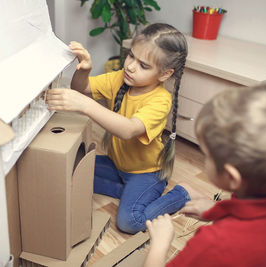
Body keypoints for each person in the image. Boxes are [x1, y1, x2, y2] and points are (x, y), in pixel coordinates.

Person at [47, 23, 206, 234]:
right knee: (72, 172)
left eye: (143, 65)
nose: (130, 66)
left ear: (165, 74)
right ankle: (129, 192)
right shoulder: (120, 77)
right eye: (131, 56)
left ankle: (182, 193)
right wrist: (84, 69)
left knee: (129, 222)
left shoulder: (160, 100)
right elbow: (81, 88)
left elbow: (128, 129)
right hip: (118, 164)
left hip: (147, 173)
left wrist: (85, 106)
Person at [144, 84, 266, 267]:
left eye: (207, 155)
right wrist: (219, 210)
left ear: (232, 177)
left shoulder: (213, 244)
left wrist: (160, 244)